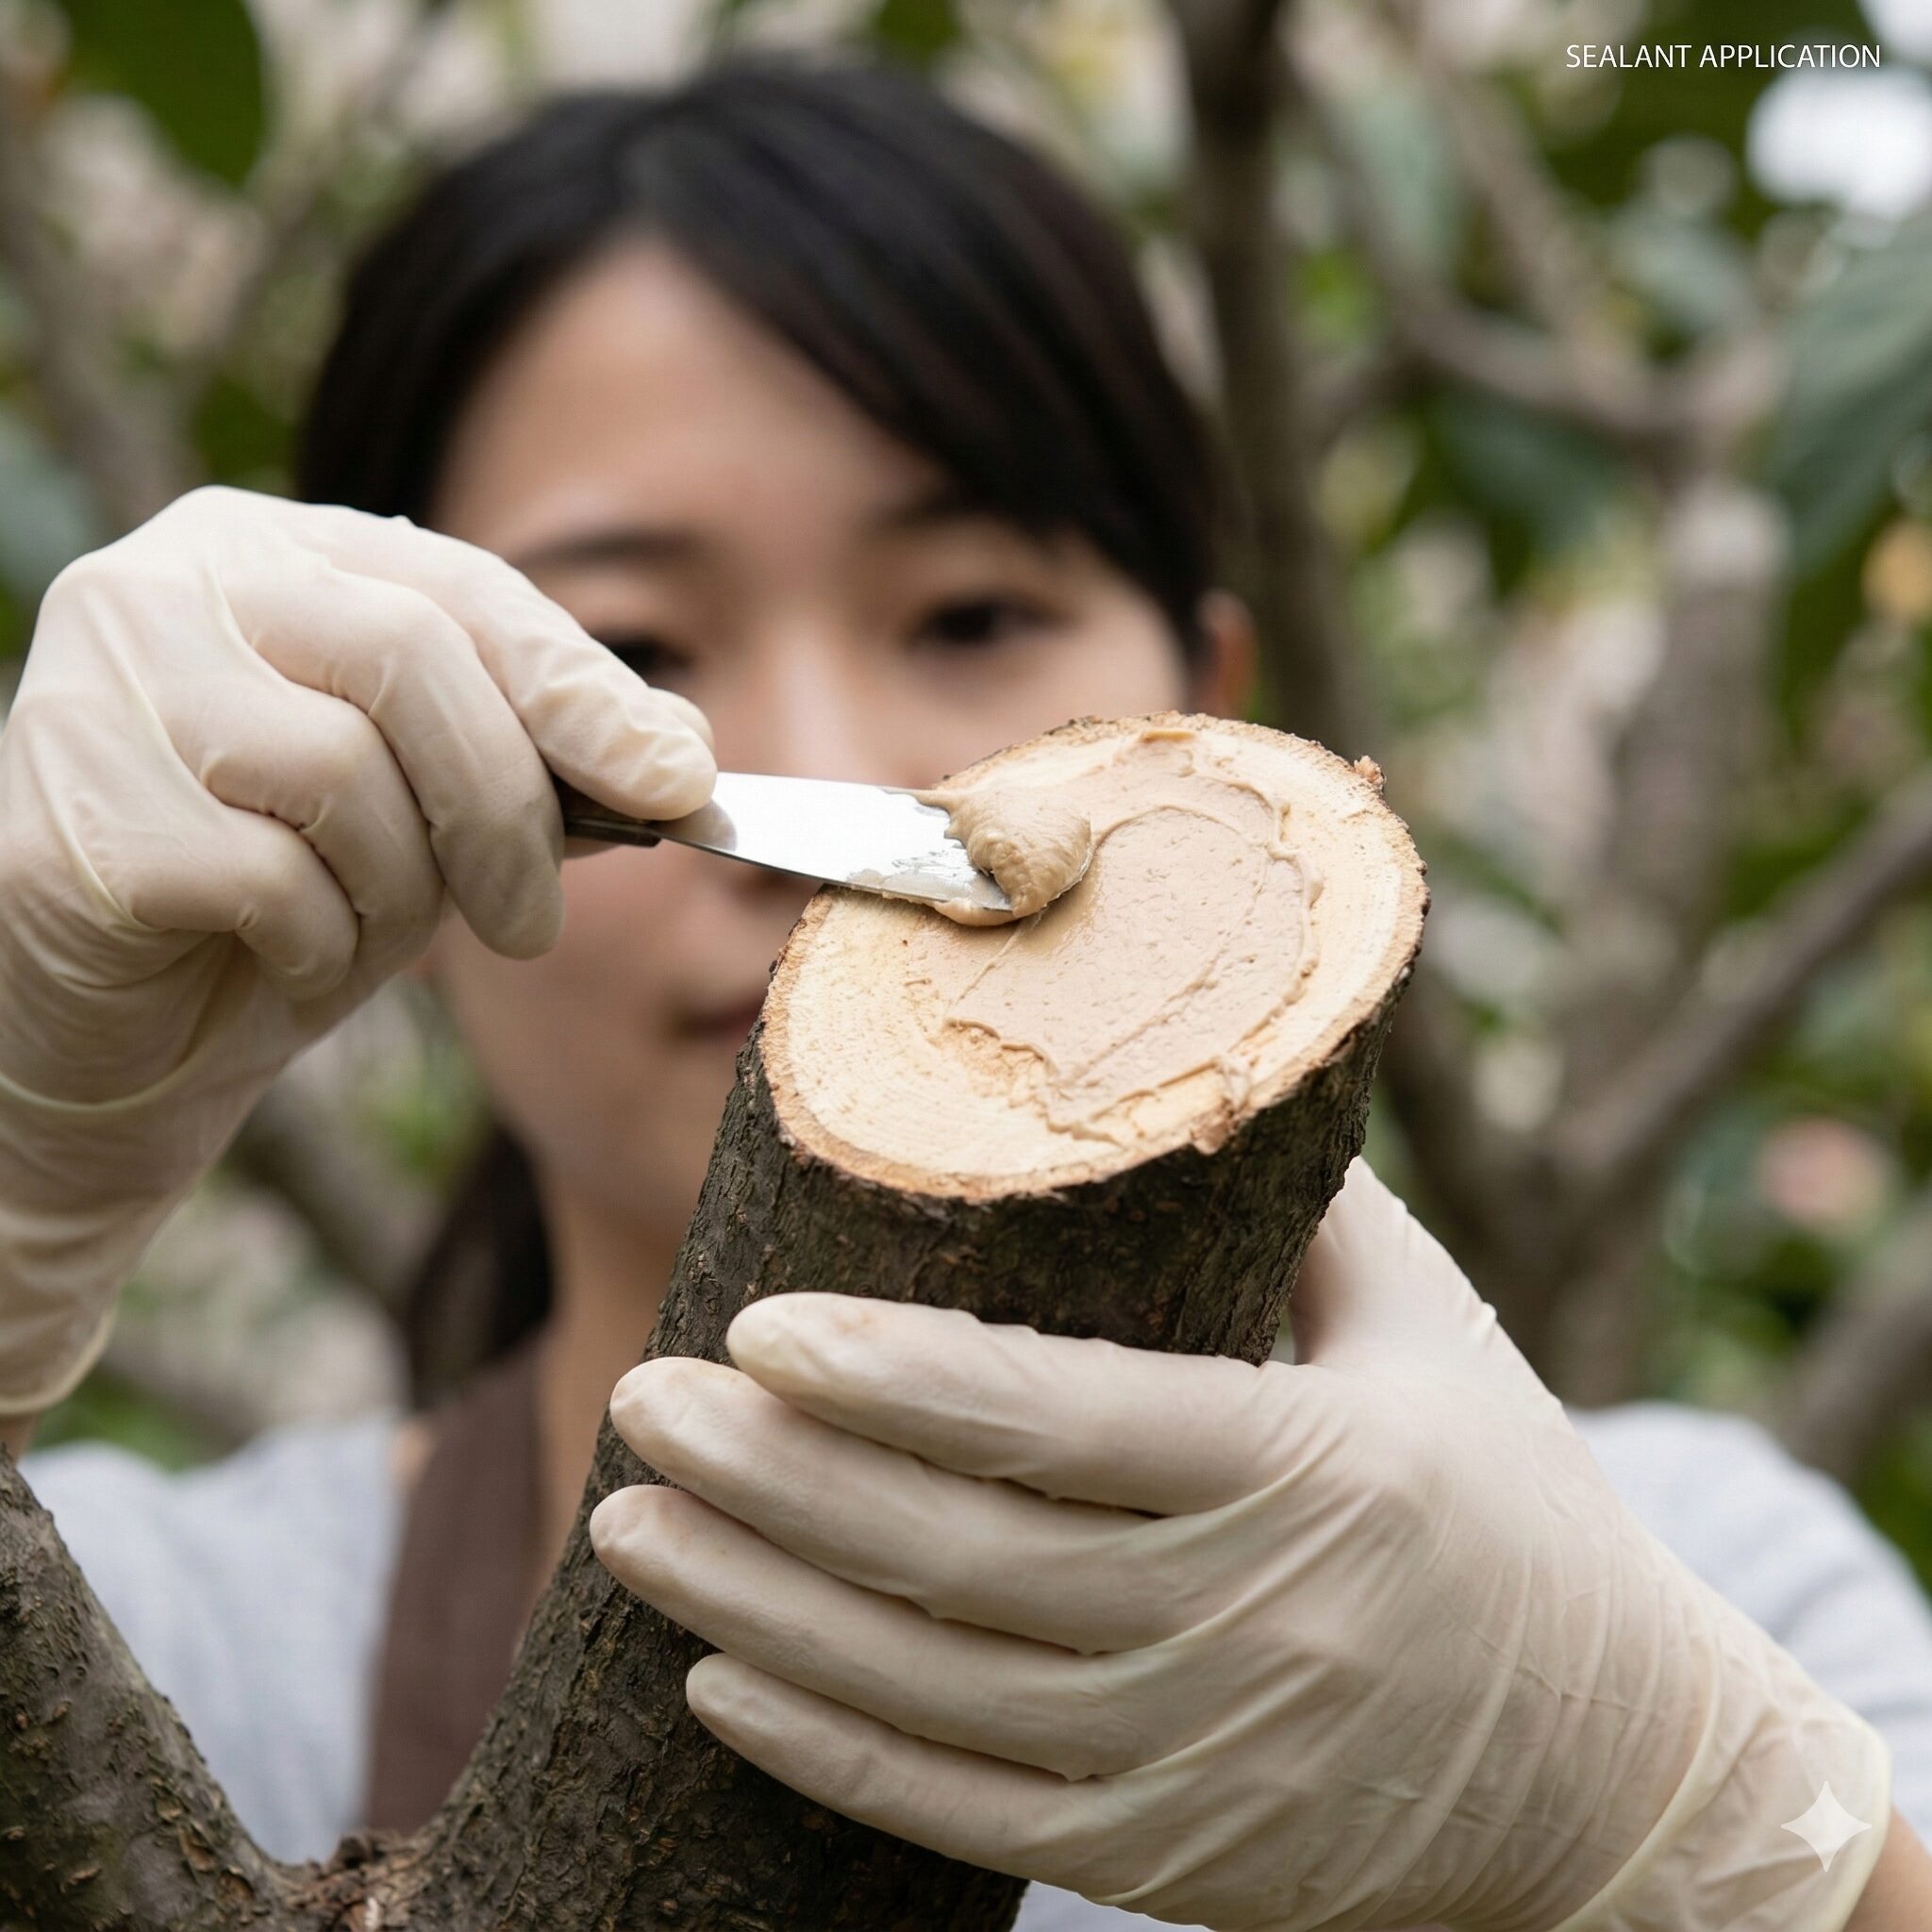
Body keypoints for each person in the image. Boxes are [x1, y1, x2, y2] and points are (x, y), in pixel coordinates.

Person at [3, 57, 1931, 1931]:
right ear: (382, 775)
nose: (825, 781)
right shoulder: (170, 1623)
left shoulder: (1692, 1598)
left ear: (1215, 715)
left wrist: (1724, 1845)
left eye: (971, 616)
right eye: (625, 643)